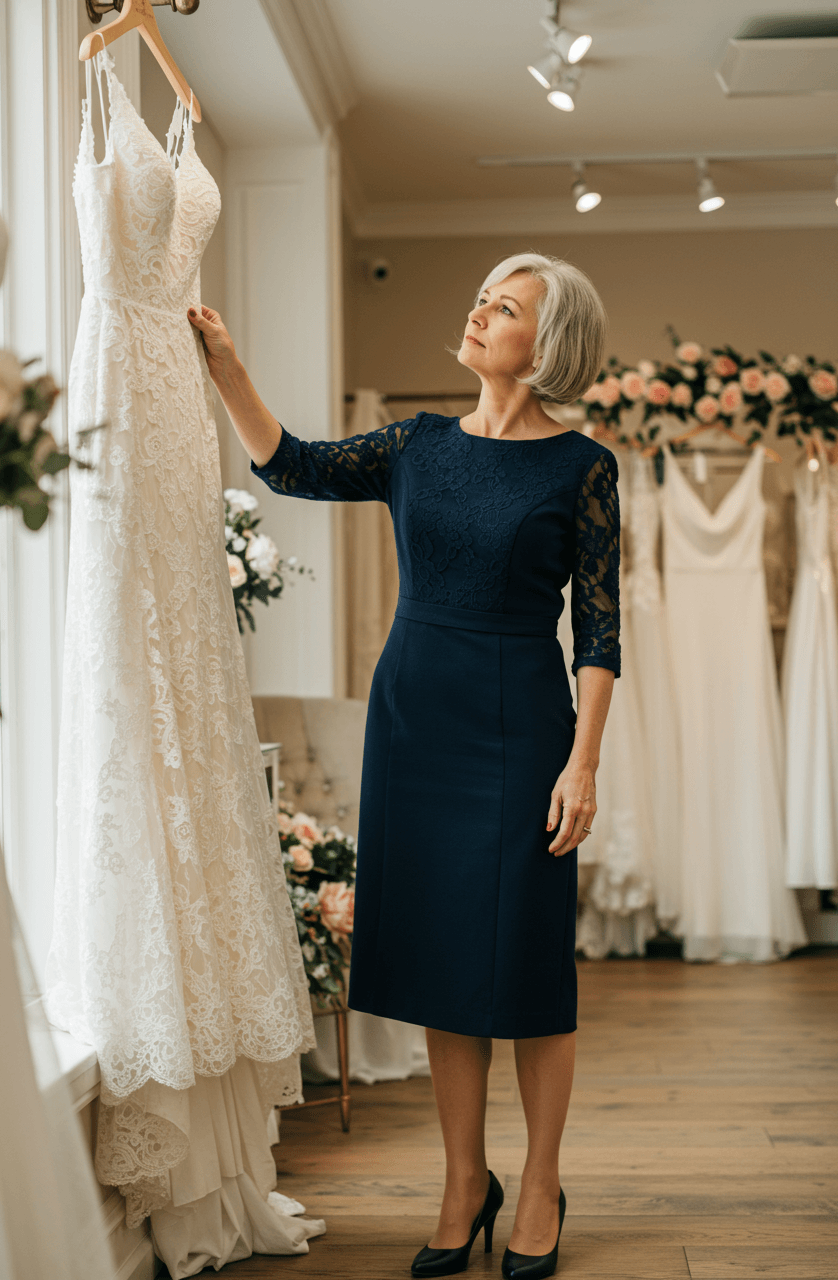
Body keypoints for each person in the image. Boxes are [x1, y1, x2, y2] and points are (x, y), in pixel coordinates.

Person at [188, 251, 620, 1280]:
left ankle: (543, 1178)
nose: (476, 312)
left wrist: (583, 764)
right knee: (440, 963)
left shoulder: (581, 467)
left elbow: (598, 632)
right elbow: (291, 463)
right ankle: (463, 1181)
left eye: (503, 306)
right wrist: (227, 369)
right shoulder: (415, 445)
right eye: (478, 295)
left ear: (545, 343)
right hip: (415, 718)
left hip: (521, 723)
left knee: (524, 964)